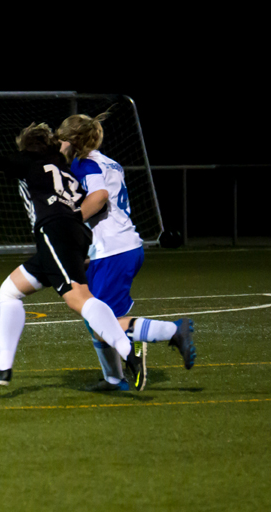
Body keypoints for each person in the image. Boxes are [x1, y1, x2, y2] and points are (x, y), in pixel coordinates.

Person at [0, 123, 141, 387]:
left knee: (78, 298)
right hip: (70, 233)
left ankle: (128, 351)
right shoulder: (59, 162)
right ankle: (2, 368)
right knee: (9, 291)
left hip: (55, 232)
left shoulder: (32, 160)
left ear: (27, 147)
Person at [56, 112, 196, 391]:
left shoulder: (85, 164)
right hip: (115, 248)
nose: (58, 147)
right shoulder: (109, 162)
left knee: (105, 322)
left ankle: (173, 331)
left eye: (60, 140)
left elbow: (99, 197)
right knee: (94, 316)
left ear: (72, 140)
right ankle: (113, 379)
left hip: (114, 251)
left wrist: (68, 223)